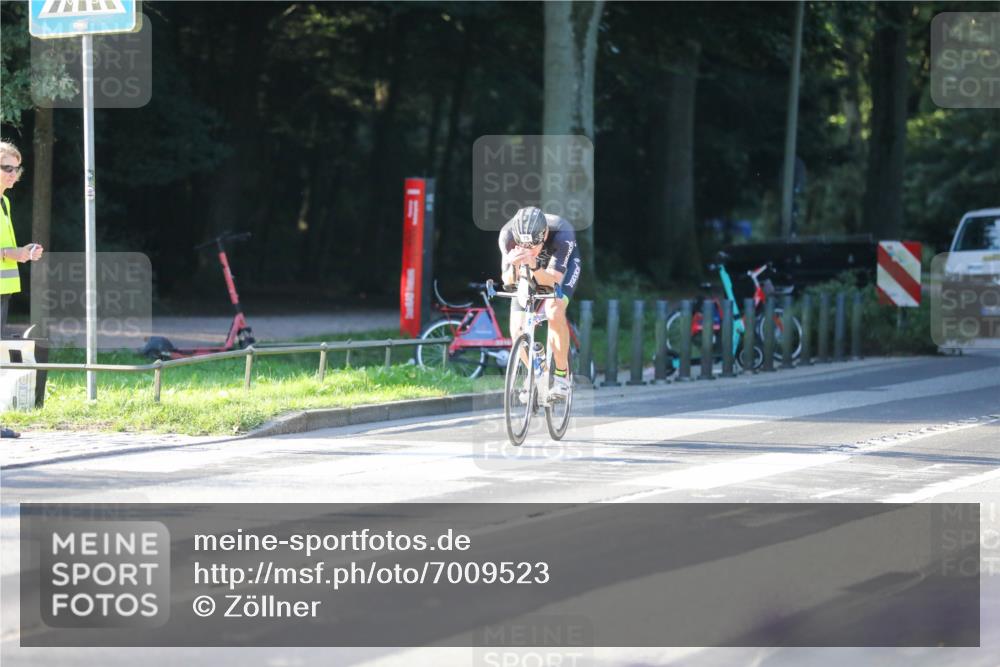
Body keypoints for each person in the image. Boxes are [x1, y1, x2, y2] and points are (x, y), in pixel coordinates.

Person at [498, 206, 581, 400]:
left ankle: (562, 376)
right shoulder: (507, 235)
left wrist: (534, 264)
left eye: (533, 245)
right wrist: (515, 265)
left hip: (560, 269)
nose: (528, 250)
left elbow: (552, 281)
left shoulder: (562, 232)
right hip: (530, 269)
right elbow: (508, 280)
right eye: (523, 245)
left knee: (554, 309)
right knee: (516, 329)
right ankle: (538, 375)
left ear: (544, 235)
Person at [1, 141, 45, 438]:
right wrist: (14, 253)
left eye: (16, 169)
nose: (12, 174)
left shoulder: (4, 201)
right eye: (6, 167)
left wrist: (22, 252)